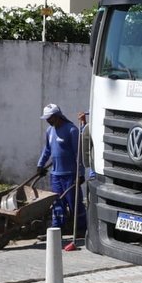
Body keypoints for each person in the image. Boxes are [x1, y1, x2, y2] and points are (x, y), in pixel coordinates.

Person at [38, 104, 86, 247]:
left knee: (74, 204)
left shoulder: (71, 130)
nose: (47, 121)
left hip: (70, 175)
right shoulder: (49, 131)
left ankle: (82, 230)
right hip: (56, 175)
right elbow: (47, 150)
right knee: (56, 204)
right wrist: (40, 165)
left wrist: (81, 174)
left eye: (49, 118)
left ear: (57, 116)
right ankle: (56, 231)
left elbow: (79, 154)